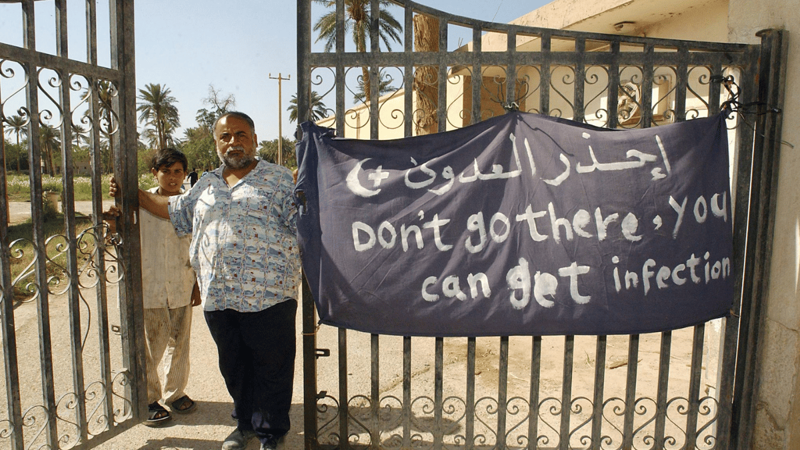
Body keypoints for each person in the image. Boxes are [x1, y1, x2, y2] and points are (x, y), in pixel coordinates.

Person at [110, 112, 300, 450]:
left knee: (272, 368)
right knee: (234, 367)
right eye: (225, 136)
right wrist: (132, 193)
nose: (234, 142)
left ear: (255, 139)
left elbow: (306, 225)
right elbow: (171, 209)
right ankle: (245, 425)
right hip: (219, 297)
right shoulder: (206, 183)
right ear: (216, 143)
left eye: (241, 135)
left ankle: (271, 433)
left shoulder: (281, 179)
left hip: (270, 297)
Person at [105, 148, 201, 426]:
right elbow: (117, 235)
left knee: (180, 343)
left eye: (177, 171)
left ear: (185, 173)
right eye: (166, 171)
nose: (172, 177)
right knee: (151, 345)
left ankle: (176, 393)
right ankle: (147, 399)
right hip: (150, 286)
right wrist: (113, 218)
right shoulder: (137, 201)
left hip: (183, 283)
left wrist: (196, 285)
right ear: (154, 173)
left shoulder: (190, 202)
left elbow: (196, 246)